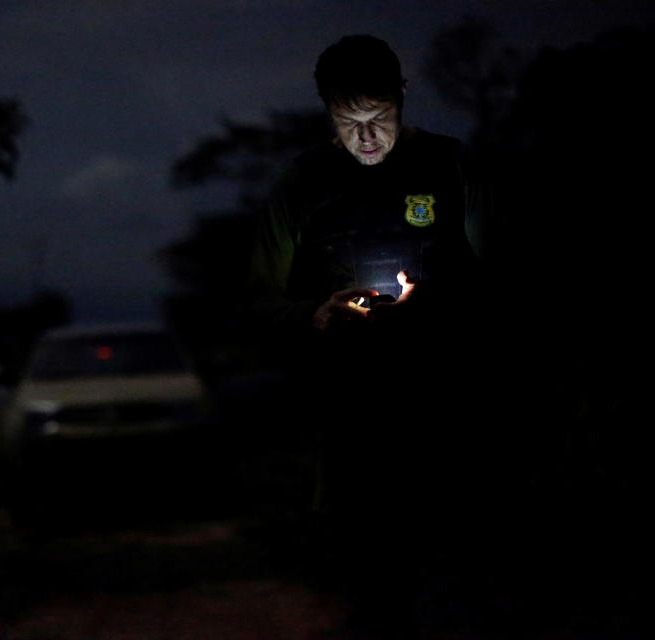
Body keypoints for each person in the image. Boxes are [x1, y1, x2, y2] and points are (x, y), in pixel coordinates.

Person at [246, 34, 492, 629]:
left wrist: (439, 303)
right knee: (372, 598)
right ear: (325, 108)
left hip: (448, 421)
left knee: (456, 593)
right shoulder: (301, 185)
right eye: (347, 120)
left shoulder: (451, 167)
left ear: (402, 98)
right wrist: (317, 314)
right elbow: (257, 301)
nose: (366, 137)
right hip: (351, 429)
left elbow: (506, 280)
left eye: (378, 118)